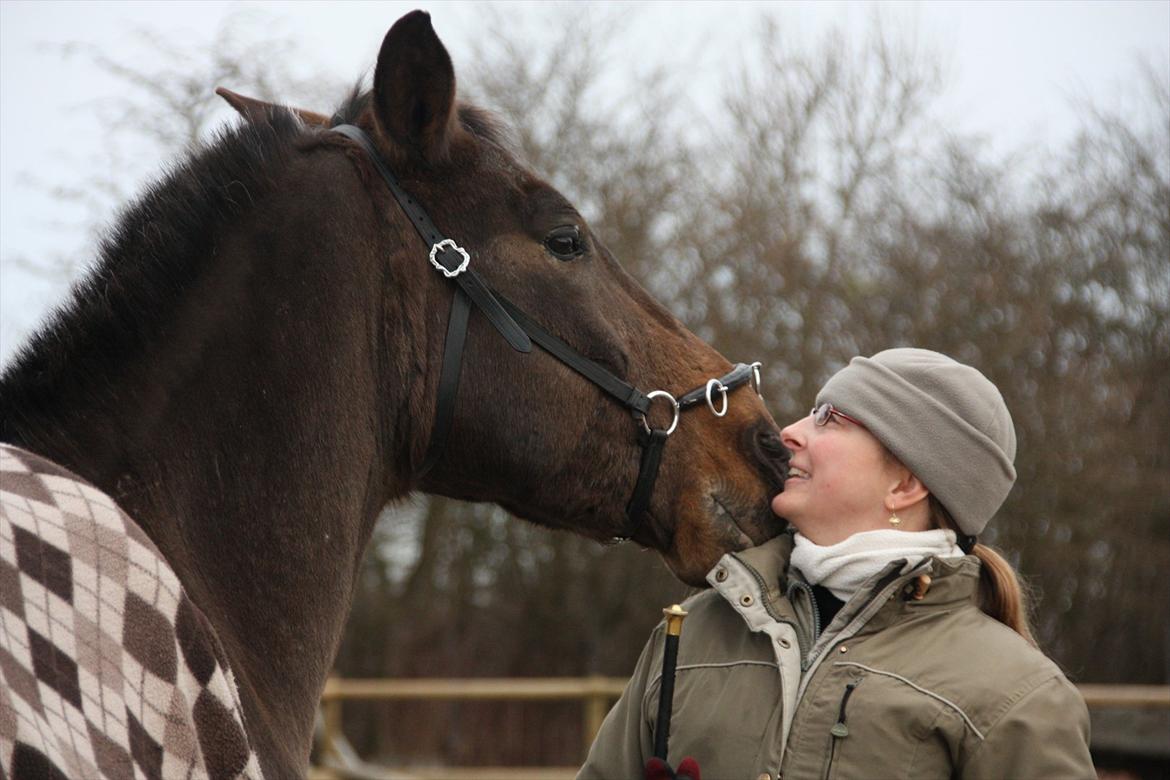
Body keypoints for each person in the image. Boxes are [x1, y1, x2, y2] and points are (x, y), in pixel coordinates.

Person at [578, 348, 1095, 780]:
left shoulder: (1020, 695)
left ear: (905, 485)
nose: (790, 433)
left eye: (831, 418)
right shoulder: (691, 633)